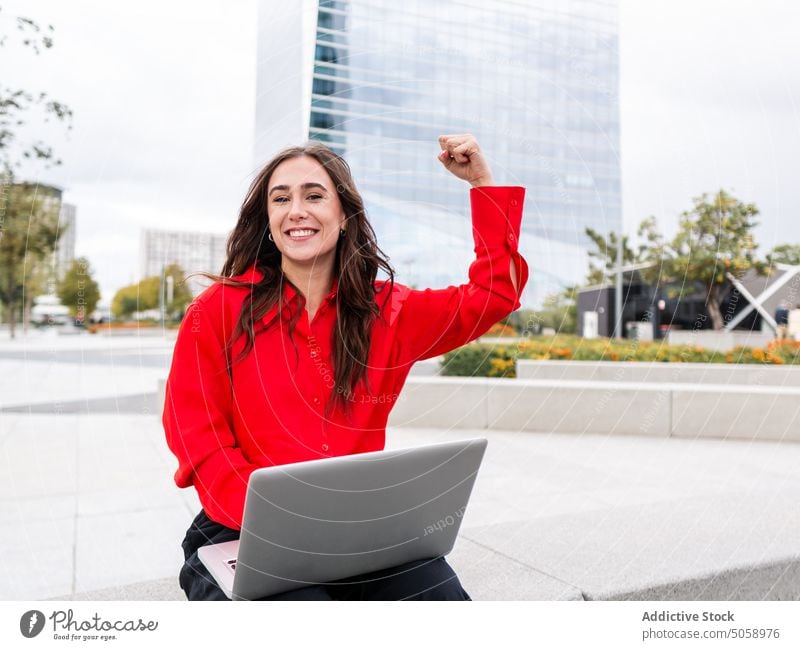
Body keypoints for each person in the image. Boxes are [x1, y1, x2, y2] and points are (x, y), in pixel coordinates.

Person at [163, 134, 529, 600]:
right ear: (269, 221)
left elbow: (493, 296)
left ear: (344, 216)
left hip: (358, 529)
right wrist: (270, 516)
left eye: (314, 196)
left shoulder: (388, 313)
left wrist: (481, 183)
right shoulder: (215, 311)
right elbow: (199, 439)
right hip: (241, 529)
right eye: (281, 199)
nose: (296, 209)